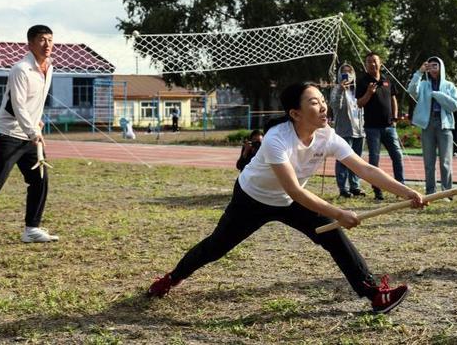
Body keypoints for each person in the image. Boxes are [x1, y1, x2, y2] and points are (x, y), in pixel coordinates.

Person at [147, 82, 427, 314]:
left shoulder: (326, 136)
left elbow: (365, 169)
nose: (323, 106)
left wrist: (407, 191)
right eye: (314, 102)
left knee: (334, 237)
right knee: (215, 247)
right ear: (295, 113)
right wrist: (338, 211)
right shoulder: (276, 139)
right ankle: (172, 278)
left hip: (291, 201)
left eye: (322, 100)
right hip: (252, 199)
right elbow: (294, 189)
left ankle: (375, 294)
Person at [0, 25, 58, 250]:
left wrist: (37, 121)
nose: (47, 45)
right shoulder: (21, 69)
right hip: (7, 135)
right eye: (42, 40)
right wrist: (32, 130)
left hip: (30, 133)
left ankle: (32, 229)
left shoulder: (49, 67)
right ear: (30, 44)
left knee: (40, 181)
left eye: (50, 40)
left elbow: (32, 102)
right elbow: (17, 105)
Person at [408, 57, 457, 195]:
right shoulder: (424, 84)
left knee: (445, 161)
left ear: (441, 67)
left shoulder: (449, 86)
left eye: (435, 66)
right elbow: (411, 90)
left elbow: (456, 105)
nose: (432, 69)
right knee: (429, 162)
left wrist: (439, 95)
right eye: (429, 66)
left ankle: (447, 192)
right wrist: (419, 72)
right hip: (428, 124)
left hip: (444, 125)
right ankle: (430, 191)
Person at [356, 52, 406, 201]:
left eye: (375, 61)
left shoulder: (386, 80)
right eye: (369, 62)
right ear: (366, 65)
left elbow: (393, 99)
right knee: (374, 160)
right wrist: (369, 93)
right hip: (372, 128)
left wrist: (395, 118)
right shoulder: (363, 81)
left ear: (380, 63)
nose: (372, 64)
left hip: (389, 126)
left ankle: (401, 188)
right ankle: (377, 191)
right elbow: (359, 103)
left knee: (397, 156)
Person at [331, 64, 366, 197]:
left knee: (357, 160)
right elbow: (335, 106)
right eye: (344, 72)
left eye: (349, 72)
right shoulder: (336, 88)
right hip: (344, 130)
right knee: (343, 160)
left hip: (360, 130)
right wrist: (340, 89)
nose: (347, 74)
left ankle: (355, 186)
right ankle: (343, 188)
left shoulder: (358, 89)